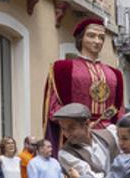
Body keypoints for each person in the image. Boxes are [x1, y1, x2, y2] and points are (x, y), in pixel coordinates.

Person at [42, 18, 125, 157]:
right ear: (81, 38)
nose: (97, 41)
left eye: (101, 37)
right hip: (75, 139)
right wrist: (78, 126)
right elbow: (53, 109)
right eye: (91, 35)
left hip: (108, 139)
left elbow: (119, 112)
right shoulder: (62, 69)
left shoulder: (115, 74)